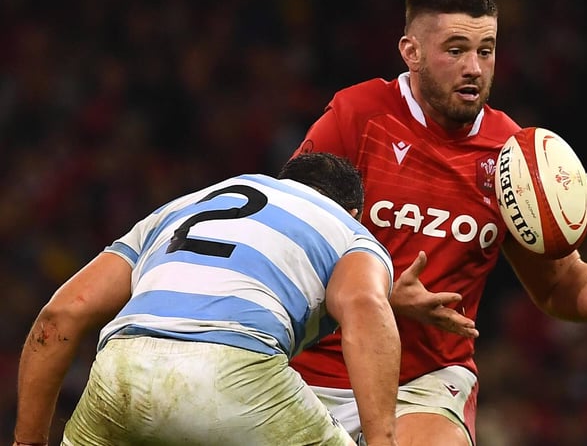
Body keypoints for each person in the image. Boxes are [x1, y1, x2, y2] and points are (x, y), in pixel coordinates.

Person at [289, 0, 587, 445]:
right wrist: (381, 295)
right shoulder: (357, 115)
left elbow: (557, 284)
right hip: (316, 365)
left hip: (425, 382)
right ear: (411, 52)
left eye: (486, 50)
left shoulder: (515, 158)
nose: (474, 68)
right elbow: (287, 241)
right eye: (455, 50)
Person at [13, 153, 401, 446]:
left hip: (120, 371)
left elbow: (60, 314)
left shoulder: (179, 207)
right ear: (355, 212)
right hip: (234, 371)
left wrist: (26, 443)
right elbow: (365, 306)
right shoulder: (350, 231)